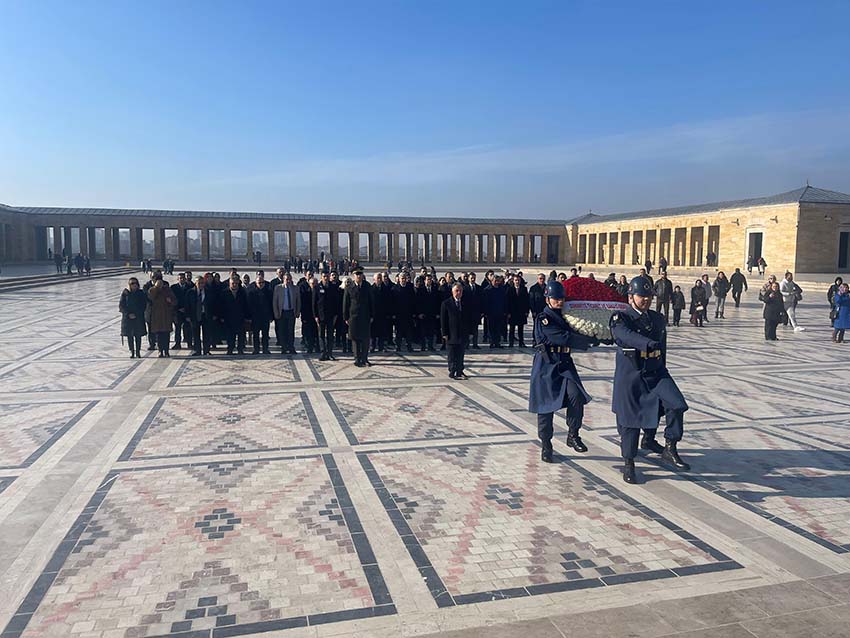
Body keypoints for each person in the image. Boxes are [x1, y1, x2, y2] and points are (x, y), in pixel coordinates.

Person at [611, 276, 690, 484]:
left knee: (677, 404)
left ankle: (670, 446)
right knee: (630, 422)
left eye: (648, 296)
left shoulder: (656, 318)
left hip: (655, 371)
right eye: (641, 296)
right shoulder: (621, 318)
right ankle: (629, 462)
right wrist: (647, 344)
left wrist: (662, 364)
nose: (645, 300)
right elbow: (624, 336)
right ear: (631, 297)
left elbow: (662, 347)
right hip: (632, 375)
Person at [529, 281, 598, 462]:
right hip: (546, 365)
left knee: (576, 396)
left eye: (561, 298)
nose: (559, 302)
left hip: (564, 364)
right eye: (556, 299)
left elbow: (580, 327)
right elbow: (561, 337)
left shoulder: (567, 316)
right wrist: (585, 342)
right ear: (548, 299)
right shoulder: (543, 318)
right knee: (545, 408)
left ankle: (573, 434)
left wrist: (596, 335)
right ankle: (546, 444)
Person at [343, 269, 373, 367]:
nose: (359, 276)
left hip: (365, 316)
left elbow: (372, 301)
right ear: (353, 276)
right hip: (353, 317)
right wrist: (345, 317)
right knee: (355, 338)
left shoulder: (367, 286)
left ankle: (364, 358)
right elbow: (345, 303)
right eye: (357, 274)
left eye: (360, 274)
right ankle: (357, 358)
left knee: (365, 338)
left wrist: (372, 315)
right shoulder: (349, 287)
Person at [440, 283, 469, 380]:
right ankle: (452, 371)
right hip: (451, 334)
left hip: (462, 333)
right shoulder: (446, 303)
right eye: (457, 290)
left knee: (461, 353)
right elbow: (443, 320)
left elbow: (468, 318)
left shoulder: (465, 303)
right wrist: (445, 334)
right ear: (452, 291)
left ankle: (460, 370)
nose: (459, 293)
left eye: (460, 291)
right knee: (452, 354)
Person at [313, 271, 341, 361]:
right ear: (321, 277)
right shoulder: (317, 287)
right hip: (321, 316)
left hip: (331, 315)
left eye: (327, 276)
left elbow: (336, 302)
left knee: (330, 335)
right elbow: (314, 303)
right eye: (324, 276)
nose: (325, 278)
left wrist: (336, 314)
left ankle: (330, 353)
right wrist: (315, 316)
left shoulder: (333, 287)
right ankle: (323, 353)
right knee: (321, 335)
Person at [147, 272, 176, 357]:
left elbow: (174, 300)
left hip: (166, 315)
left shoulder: (167, 289)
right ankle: (160, 350)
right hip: (157, 316)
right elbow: (150, 297)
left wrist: (170, 301)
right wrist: (156, 287)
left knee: (166, 334)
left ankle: (166, 350)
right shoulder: (152, 289)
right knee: (159, 334)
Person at [119, 277, 147, 358]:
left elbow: (143, 305)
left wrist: (136, 314)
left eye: (135, 283)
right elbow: (121, 306)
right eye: (132, 284)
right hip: (128, 319)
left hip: (138, 318)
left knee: (138, 335)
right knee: (129, 335)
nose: (134, 285)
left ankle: (138, 351)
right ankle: (132, 351)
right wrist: (128, 314)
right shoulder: (125, 293)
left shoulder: (141, 293)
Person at [186, 275, 215, 356]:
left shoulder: (208, 291)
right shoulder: (190, 292)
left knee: (207, 334)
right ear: (195, 283)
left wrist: (214, 314)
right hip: (195, 315)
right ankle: (197, 350)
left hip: (206, 315)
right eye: (199, 283)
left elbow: (213, 304)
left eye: (202, 283)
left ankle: (206, 350)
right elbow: (187, 305)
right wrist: (187, 316)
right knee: (196, 334)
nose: (201, 285)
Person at [273, 272, 300, 355]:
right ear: (283, 280)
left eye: (289, 279)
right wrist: (276, 312)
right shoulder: (278, 288)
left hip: (291, 312)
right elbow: (275, 301)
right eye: (286, 279)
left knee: (291, 330)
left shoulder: (295, 288)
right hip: (282, 312)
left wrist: (297, 311)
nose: (288, 281)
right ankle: (284, 347)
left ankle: (291, 347)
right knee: (282, 330)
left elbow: (298, 301)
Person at [247, 271, 274, 354]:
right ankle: (256, 349)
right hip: (255, 317)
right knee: (256, 334)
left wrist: (271, 316)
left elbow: (271, 304)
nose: (261, 284)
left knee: (265, 334)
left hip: (265, 316)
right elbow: (248, 305)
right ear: (256, 282)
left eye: (262, 282)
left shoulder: (268, 291)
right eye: (259, 282)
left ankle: (265, 349)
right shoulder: (251, 292)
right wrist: (249, 317)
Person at [221, 276, 249, 355]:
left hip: (240, 317)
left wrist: (247, 316)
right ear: (229, 284)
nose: (234, 285)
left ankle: (240, 349)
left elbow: (246, 305)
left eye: (236, 283)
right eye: (233, 283)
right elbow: (221, 306)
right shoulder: (224, 293)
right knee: (230, 335)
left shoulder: (242, 292)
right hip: (228, 317)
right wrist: (222, 316)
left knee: (241, 334)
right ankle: (230, 349)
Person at [392, 272, 416, 352]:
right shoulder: (395, 288)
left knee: (409, 331)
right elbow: (393, 302)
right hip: (399, 314)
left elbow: (413, 300)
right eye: (402, 278)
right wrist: (394, 314)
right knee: (398, 331)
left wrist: (413, 312)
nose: (403, 280)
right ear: (399, 279)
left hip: (408, 314)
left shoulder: (410, 287)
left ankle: (409, 346)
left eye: (404, 278)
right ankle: (398, 346)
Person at [484, 275, 508, 348]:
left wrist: (505, 311)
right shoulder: (487, 290)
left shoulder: (501, 289)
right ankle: (492, 342)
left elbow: (505, 301)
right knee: (491, 328)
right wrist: (485, 312)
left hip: (500, 312)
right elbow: (485, 302)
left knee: (498, 328)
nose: (497, 282)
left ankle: (497, 342)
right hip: (491, 313)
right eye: (495, 281)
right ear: (492, 281)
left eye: (498, 281)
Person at [170, 272, 192, 350]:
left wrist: (186, 308)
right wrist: (178, 308)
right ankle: (177, 343)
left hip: (187, 311)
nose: (182, 279)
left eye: (183, 278)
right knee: (177, 328)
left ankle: (189, 343)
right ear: (178, 279)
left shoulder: (190, 287)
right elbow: (172, 299)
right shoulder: (173, 287)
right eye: (180, 278)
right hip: (177, 311)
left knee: (188, 328)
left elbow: (191, 299)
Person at [507, 275, 530, 347]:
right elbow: (507, 302)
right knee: (511, 329)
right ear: (513, 281)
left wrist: (527, 311)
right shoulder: (509, 289)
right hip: (512, 312)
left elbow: (527, 301)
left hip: (521, 312)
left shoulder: (524, 289)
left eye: (518, 280)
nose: (517, 281)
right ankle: (511, 343)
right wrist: (508, 312)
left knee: (521, 329)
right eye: (516, 280)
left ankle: (521, 342)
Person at [465, 272, 484, 349]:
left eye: (474, 278)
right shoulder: (465, 288)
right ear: (468, 278)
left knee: (475, 329)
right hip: (467, 313)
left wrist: (482, 311)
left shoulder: (479, 288)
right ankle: (466, 344)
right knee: (467, 329)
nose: (473, 279)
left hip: (476, 312)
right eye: (471, 278)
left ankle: (475, 344)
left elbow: (482, 300)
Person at [300, 277, 320, 353]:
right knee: (308, 332)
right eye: (312, 284)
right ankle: (310, 347)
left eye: (315, 283)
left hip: (317, 316)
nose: (314, 285)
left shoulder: (319, 292)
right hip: (308, 315)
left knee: (317, 332)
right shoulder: (306, 292)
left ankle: (317, 346)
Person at [528, 273, 547, 345]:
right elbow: (531, 300)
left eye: (543, 278)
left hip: (545, 311)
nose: (542, 280)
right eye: (540, 278)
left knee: (545, 326)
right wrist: (533, 311)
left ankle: (544, 340)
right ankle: (535, 340)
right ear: (538, 279)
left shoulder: (547, 287)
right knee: (536, 326)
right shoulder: (533, 288)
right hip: (536, 311)